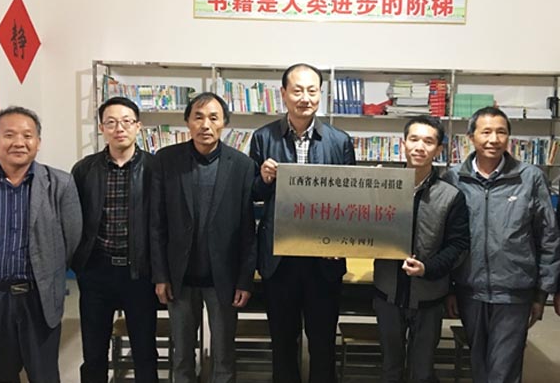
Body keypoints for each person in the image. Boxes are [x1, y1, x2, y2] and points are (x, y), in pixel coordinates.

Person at [249, 63, 355, 383]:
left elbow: (350, 202)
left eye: (312, 90)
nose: (305, 98)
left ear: (321, 94)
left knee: (323, 343)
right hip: (280, 259)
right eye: (297, 90)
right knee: (282, 342)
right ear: (283, 94)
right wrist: (264, 179)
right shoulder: (262, 137)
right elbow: (252, 194)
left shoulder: (339, 140)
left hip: (324, 259)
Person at [0, 106, 82, 383]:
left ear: (38, 142)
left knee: (44, 374)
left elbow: (72, 239)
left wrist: (49, 272)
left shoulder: (60, 184)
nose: (19, 142)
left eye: (27, 135)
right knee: (0, 374)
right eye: (9, 135)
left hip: (39, 297)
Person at [443, 106, 560, 383]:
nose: (493, 139)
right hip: (470, 290)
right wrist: (449, 288)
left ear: (509, 137)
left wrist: (542, 293)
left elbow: (549, 236)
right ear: (470, 137)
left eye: (501, 132)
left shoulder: (530, 178)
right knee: (479, 367)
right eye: (486, 132)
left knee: (503, 370)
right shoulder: (454, 178)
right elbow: (445, 239)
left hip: (514, 292)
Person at [152, 92, 256, 383]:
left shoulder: (242, 165)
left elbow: (248, 229)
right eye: (198, 117)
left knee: (224, 355)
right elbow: (157, 223)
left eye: (213, 117)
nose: (205, 125)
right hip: (179, 277)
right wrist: (160, 275)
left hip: (223, 278)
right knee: (182, 355)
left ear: (224, 123)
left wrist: (244, 280)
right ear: (187, 121)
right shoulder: (166, 160)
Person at [373, 115, 470, 383]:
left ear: (439, 150)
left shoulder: (451, 195)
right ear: (403, 143)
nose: (419, 147)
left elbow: (458, 245)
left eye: (428, 141)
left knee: (423, 371)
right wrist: (370, 187)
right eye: (413, 139)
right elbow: (358, 227)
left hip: (429, 297)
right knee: (390, 367)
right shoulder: (382, 186)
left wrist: (428, 268)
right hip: (387, 294)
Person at [71, 96, 159, 383]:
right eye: (111, 122)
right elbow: (74, 220)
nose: (119, 128)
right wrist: (79, 265)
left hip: (140, 273)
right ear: (101, 128)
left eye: (126, 122)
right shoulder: (84, 169)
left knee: (144, 351)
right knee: (94, 352)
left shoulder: (156, 168)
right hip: (97, 271)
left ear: (138, 126)